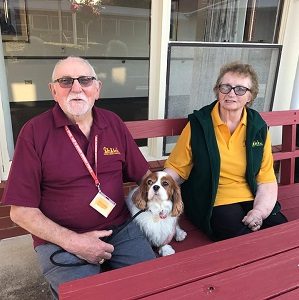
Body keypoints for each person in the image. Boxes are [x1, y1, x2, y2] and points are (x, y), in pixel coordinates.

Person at [2, 56, 156, 298]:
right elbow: (20, 212)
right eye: (65, 81)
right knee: (84, 295)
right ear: (53, 91)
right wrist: (74, 242)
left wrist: (165, 212)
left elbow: (145, 177)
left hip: (120, 228)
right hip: (60, 239)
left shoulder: (112, 123)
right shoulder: (34, 132)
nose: (76, 88)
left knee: (155, 286)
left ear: (97, 89)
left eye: (85, 80)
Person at [164, 61, 287, 241]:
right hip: (214, 198)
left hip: (252, 195)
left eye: (240, 89)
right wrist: (155, 187)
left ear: (250, 97)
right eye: (225, 87)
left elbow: (266, 178)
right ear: (217, 90)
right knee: (243, 241)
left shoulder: (257, 126)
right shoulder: (199, 124)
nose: (231, 94)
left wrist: (259, 211)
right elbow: (177, 169)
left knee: (282, 234)